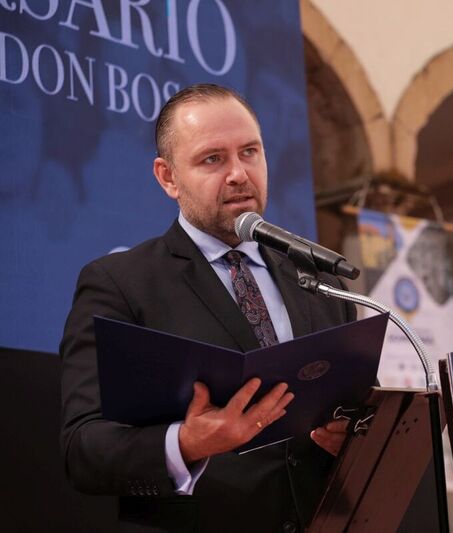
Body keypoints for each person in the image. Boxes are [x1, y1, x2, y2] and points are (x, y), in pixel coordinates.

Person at [60, 84, 354, 532]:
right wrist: (185, 443)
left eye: (250, 152)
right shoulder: (120, 284)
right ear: (168, 177)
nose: (239, 173)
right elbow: (83, 449)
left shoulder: (318, 280)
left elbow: (346, 411)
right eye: (212, 159)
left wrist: (353, 435)